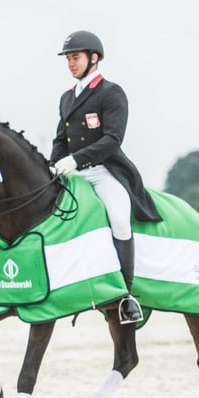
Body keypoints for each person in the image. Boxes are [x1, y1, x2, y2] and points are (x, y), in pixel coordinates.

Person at [50, 30, 162, 324]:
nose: (71, 63)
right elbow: (60, 139)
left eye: (75, 57)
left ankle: (126, 295)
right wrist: (52, 166)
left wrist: (75, 159)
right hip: (74, 175)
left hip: (104, 172)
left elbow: (113, 139)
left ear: (93, 58)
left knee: (119, 218)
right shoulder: (66, 97)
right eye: (68, 59)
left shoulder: (111, 93)